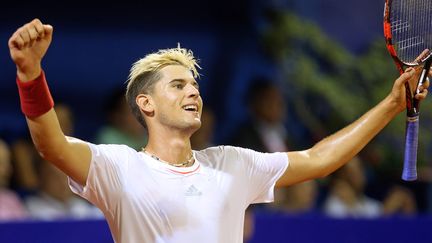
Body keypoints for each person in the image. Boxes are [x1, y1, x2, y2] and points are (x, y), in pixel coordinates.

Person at [8, 19, 430, 243]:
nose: (193, 92)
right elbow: (50, 143)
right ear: (145, 104)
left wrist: (393, 102)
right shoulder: (117, 166)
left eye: (194, 85)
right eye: (178, 85)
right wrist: (30, 74)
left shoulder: (231, 163)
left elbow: (318, 159)